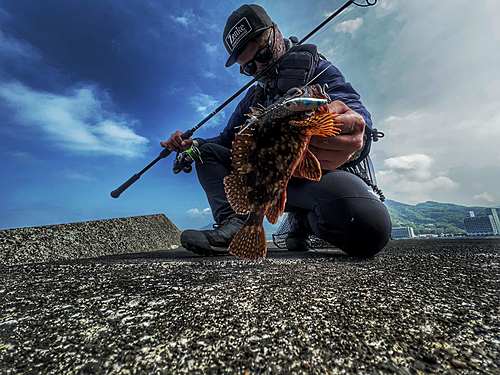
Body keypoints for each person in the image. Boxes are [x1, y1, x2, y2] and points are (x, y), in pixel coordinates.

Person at [162, 4, 391, 258]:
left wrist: (358, 130)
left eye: (263, 52)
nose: (259, 67)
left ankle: (305, 221)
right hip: (265, 182)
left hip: (315, 179)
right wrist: (191, 145)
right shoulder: (253, 98)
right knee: (204, 151)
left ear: (276, 32)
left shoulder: (316, 70)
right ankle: (236, 222)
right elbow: (227, 141)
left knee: (370, 228)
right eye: (249, 67)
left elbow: (355, 110)